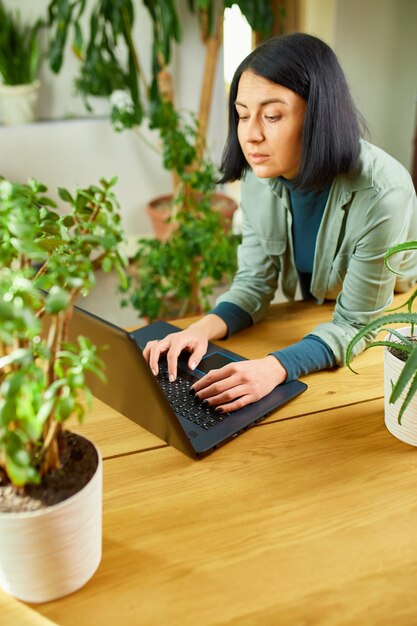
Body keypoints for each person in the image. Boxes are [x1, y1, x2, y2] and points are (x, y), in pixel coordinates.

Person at [144, 32, 417, 414]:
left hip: (388, 324)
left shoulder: (383, 191)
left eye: (271, 116)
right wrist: (198, 330)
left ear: (318, 115)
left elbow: (357, 324)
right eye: (242, 115)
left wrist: (274, 367)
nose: (250, 134)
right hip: (318, 316)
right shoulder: (259, 177)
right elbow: (255, 283)